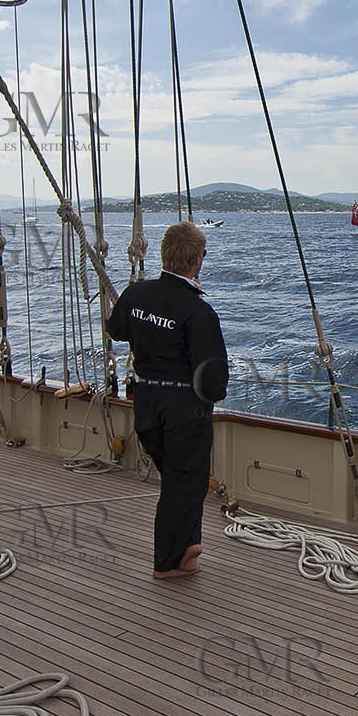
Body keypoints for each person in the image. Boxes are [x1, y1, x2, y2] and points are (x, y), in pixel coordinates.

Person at [108, 221, 229, 580]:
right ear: (197, 260)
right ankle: (170, 561)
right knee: (184, 484)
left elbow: (116, 330)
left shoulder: (135, 295)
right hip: (183, 412)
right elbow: (213, 381)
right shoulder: (198, 312)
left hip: (146, 406)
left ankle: (189, 548)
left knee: (178, 481)